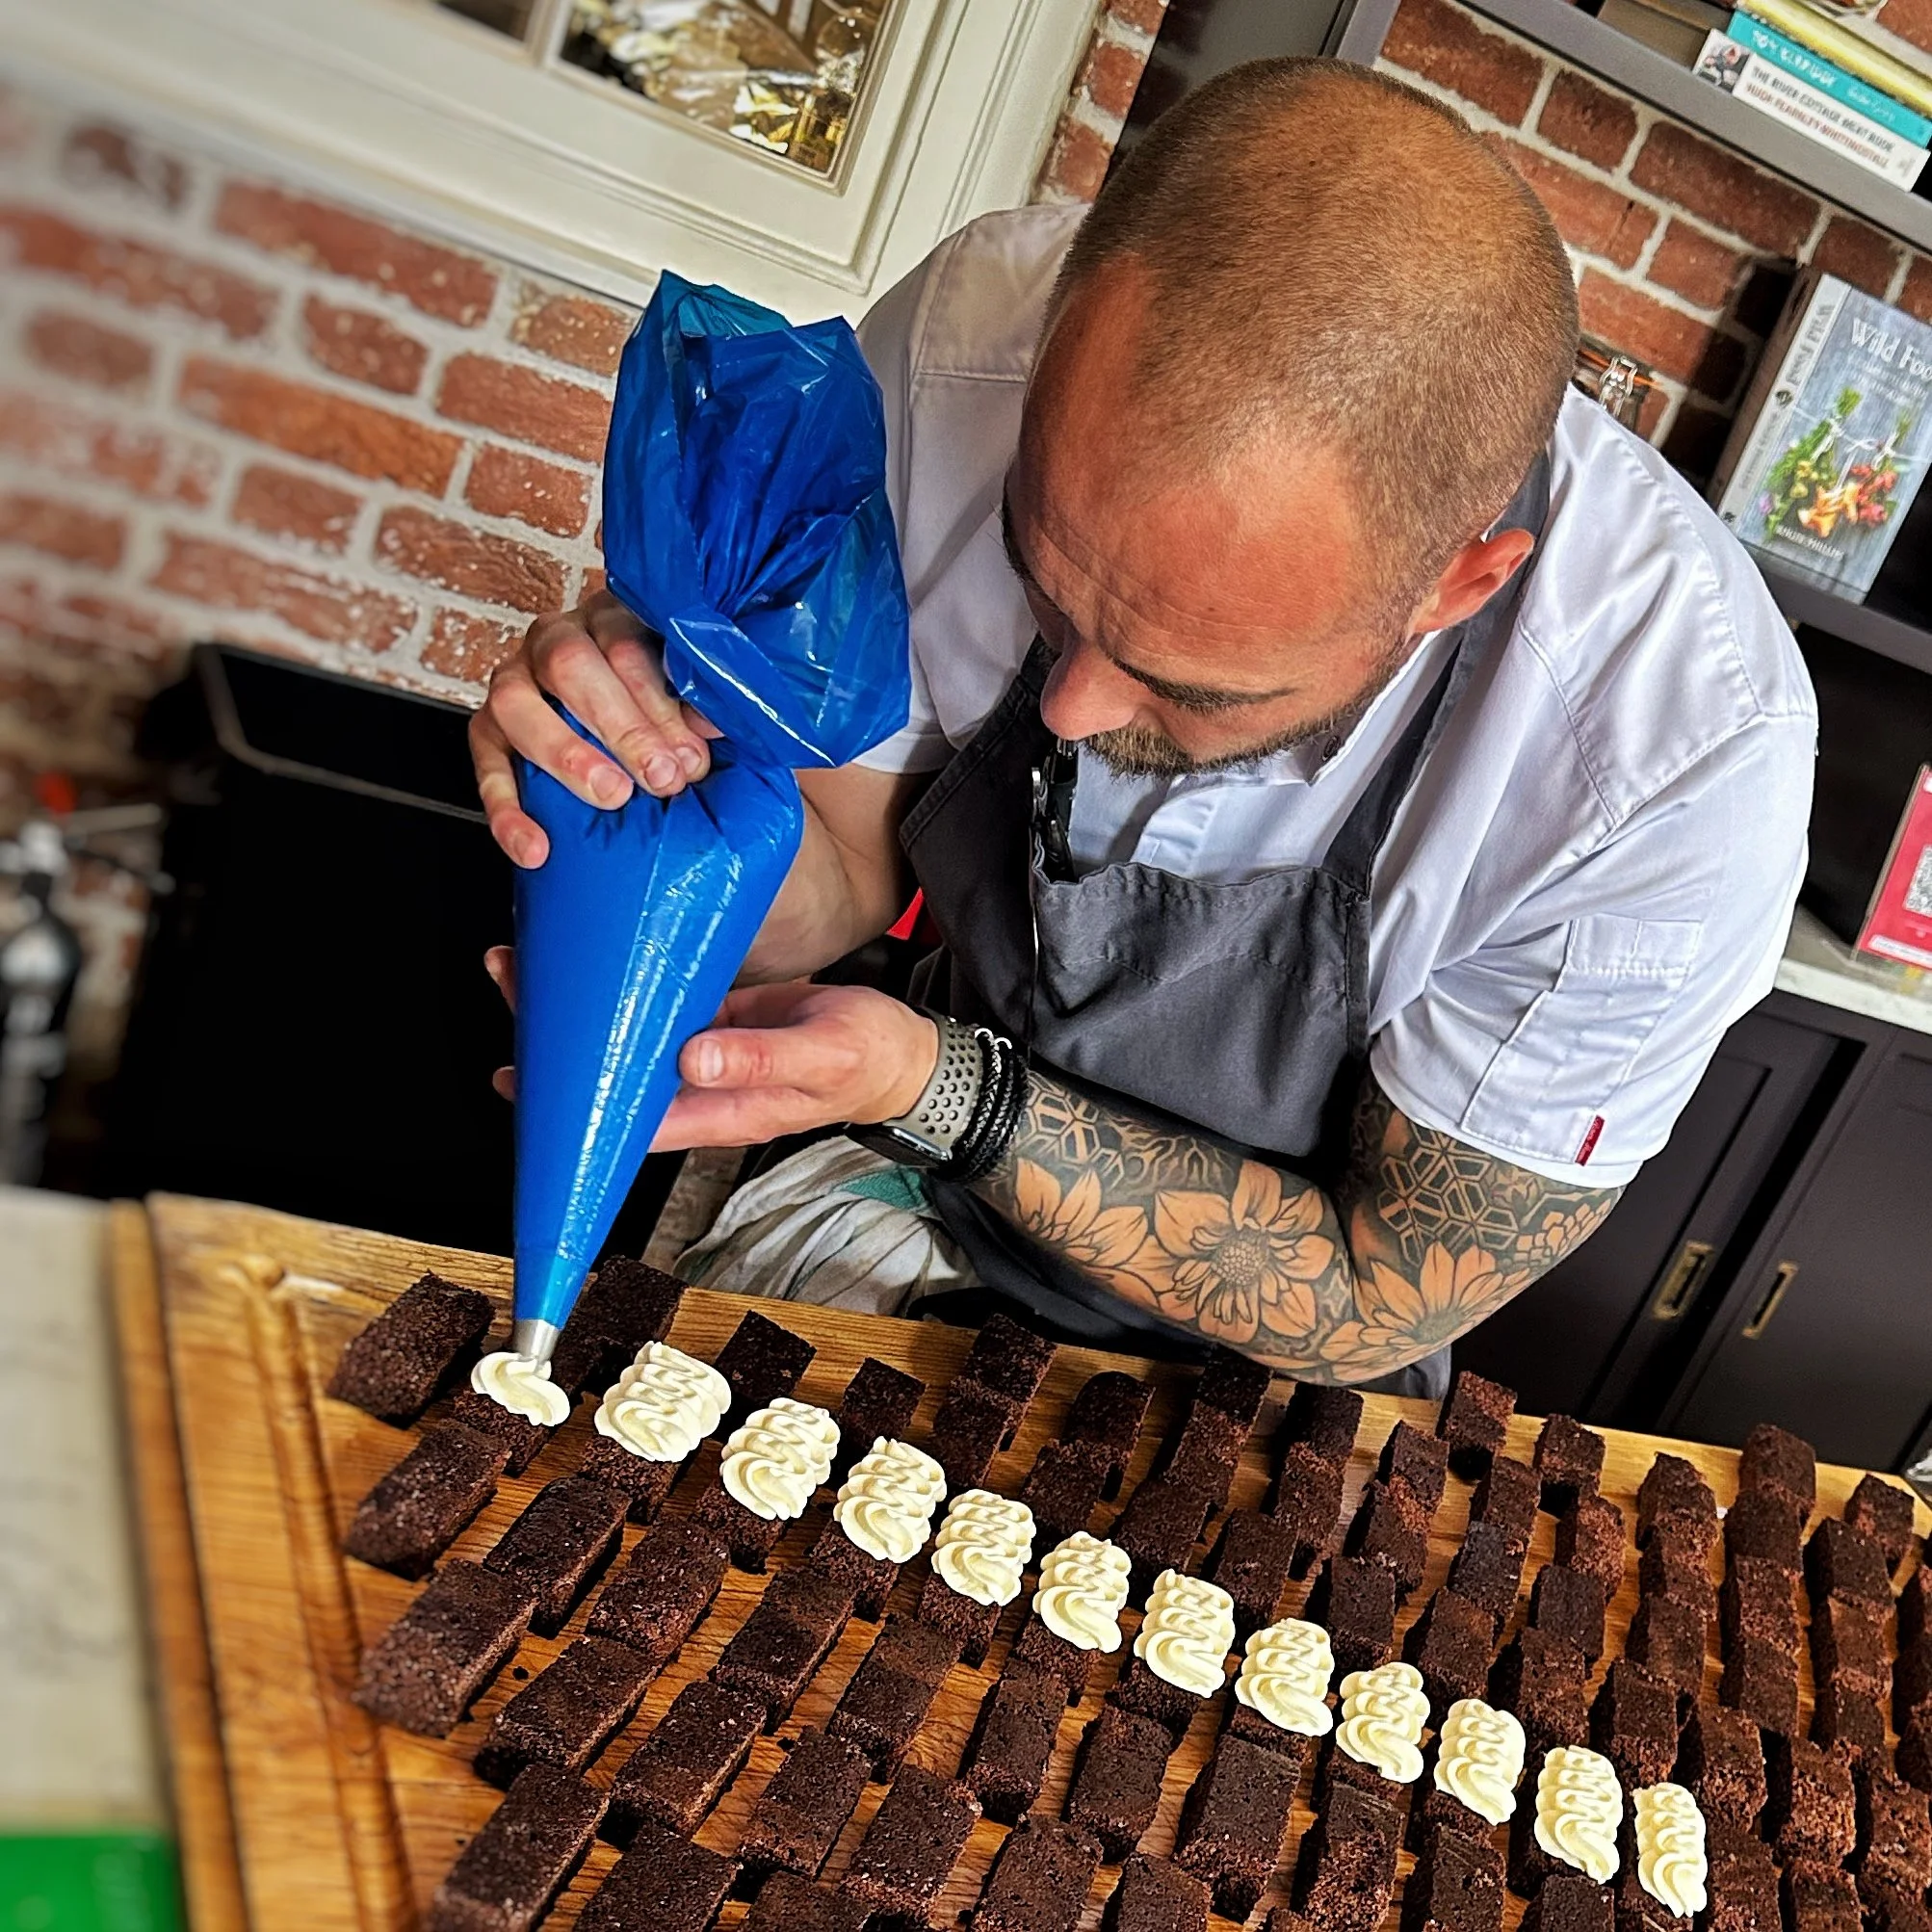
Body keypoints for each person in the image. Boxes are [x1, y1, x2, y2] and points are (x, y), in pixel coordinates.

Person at [470, 58, 1815, 1394]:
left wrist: (942, 1085)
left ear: (1459, 583)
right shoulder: (961, 354)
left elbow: (1373, 1285)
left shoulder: (1672, 766)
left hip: (1254, 1380)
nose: (1067, 707)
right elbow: (834, 879)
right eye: (1040, 592)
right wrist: (655, 784)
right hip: (909, 1194)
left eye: (1195, 686)